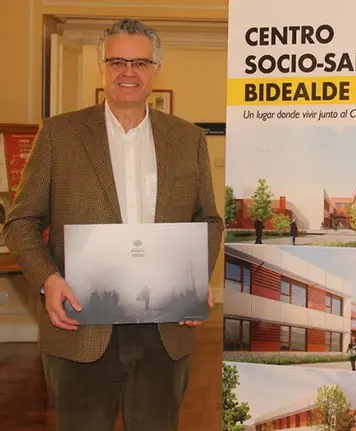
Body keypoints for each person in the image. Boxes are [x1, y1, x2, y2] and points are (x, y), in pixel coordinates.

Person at [3, 18, 224, 431]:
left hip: (164, 328)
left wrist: (195, 279)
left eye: (140, 62)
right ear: (101, 67)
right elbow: (20, 221)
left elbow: (209, 220)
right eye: (117, 61)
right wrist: (48, 279)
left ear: (156, 69)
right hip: (80, 324)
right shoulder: (58, 135)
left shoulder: (188, 139)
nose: (128, 72)